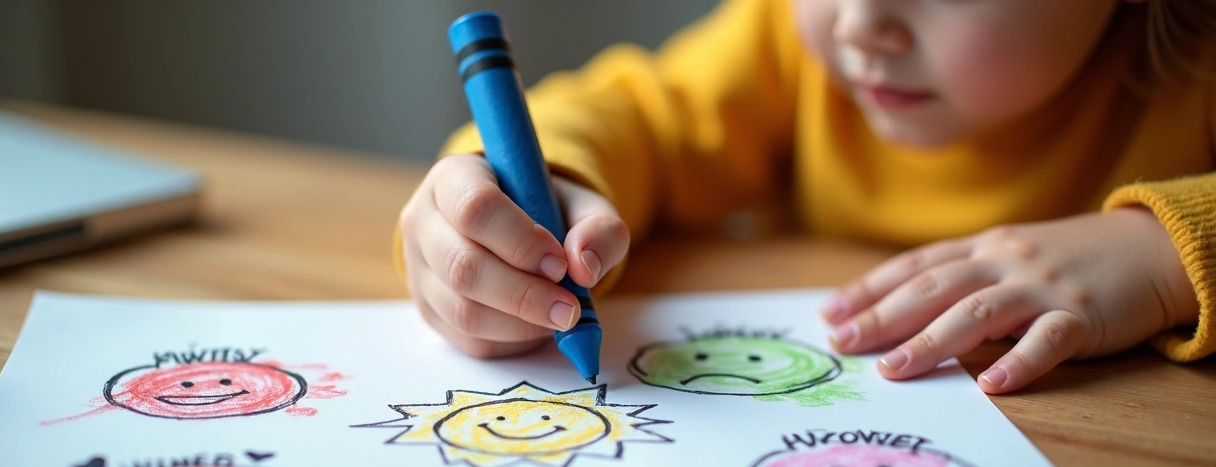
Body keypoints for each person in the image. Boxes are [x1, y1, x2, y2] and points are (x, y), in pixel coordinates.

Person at [397, 0, 1215, 394]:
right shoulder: (788, 45)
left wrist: (1164, 254)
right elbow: (641, 116)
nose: (858, 25)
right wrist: (538, 191)